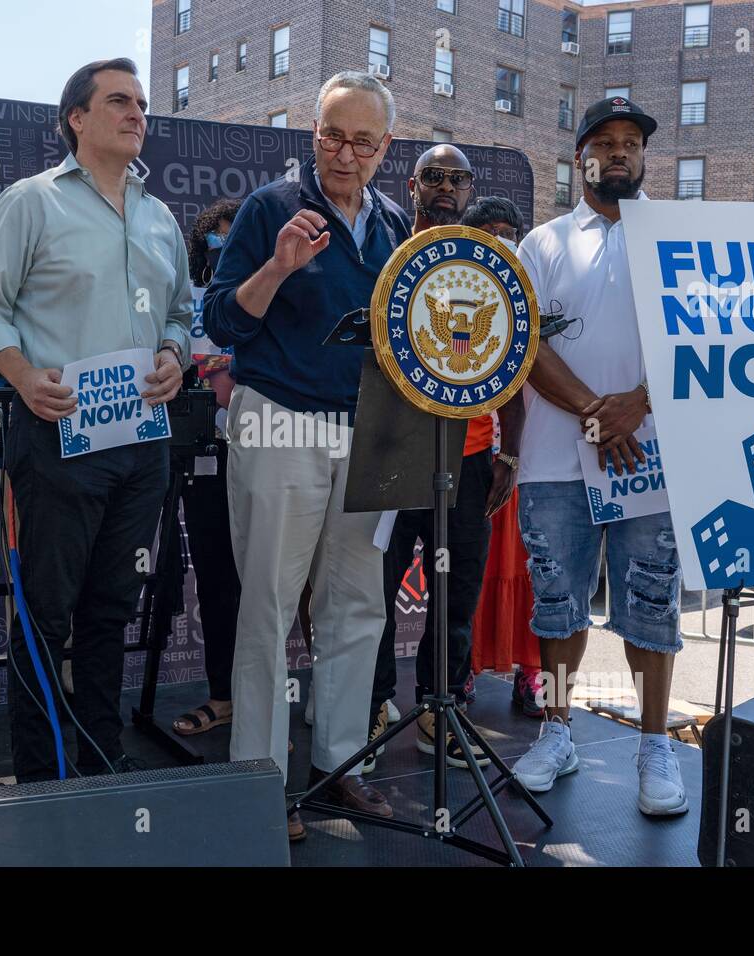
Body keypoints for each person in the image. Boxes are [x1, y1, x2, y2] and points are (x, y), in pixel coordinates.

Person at [0, 58, 190, 782]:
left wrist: (176, 355)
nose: (137, 113)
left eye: (142, 103)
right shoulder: (32, 202)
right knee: (44, 615)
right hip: (56, 437)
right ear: (76, 119)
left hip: (142, 444)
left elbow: (184, 313)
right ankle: (39, 775)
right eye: (118, 101)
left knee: (112, 608)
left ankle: (100, 757)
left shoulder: (159, 217)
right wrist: (23, 377)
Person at [203, 70, 411, 841]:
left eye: (362, 140)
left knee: (357, 608)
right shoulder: (270, 208)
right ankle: (258, 781)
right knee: (266, 607)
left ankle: (341, 767)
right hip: (280, 423)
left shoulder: (394, 222)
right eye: (332, 135)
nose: (345, 153)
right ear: (311, 135)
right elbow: (223, 321)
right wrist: (279, 265)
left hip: (368, 435)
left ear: (386, 148)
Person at [510, 96, 688, 816]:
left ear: (644, 157)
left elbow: (698, 341)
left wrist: (636, 406)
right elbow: (522, 345)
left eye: (631, 143)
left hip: (654, 459)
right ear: (579, 156)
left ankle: (654, 743)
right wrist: (594, 412)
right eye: (604, 142)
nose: (619, 152)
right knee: (557, 609)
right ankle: (557, 730)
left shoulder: (678, 239)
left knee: (652, 607)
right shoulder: (542, 243)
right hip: (557, 460)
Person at [364, 150, 522, 774]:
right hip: (391, 450)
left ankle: (439, 710)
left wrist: (507, 448)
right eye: (434, 176)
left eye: (458, 178)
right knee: (374, 591)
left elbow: (518, 359)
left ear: (470, 189)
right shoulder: (384, 250)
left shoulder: (491, 264)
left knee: (455, 597)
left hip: (473, 453)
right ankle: (372, 707)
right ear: (413, 185)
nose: (446, 187)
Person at [460, 197, 544, 719]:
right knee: (471, 572)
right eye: (489, 233)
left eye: (509, 233)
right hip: (477, 458)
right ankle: (460, 673)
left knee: (534, 570)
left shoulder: (537, 294)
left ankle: (530, 674)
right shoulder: (456, 298)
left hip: (533, 456)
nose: (501, 241)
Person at [172, 199, 243, 738]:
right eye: (215, 243)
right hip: (200, 455)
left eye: (234, 241)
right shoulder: (184, 298)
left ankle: (260, 707)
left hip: (267, 450)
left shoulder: (267, 295)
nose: (224, 251)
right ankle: (224, 698)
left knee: (262, 582)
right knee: (215, 578)